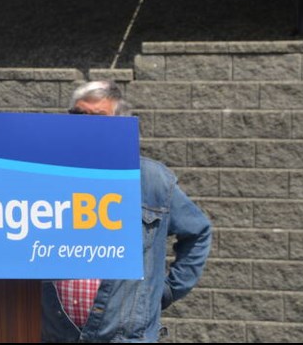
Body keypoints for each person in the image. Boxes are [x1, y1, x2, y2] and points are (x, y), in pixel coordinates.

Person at [41, 80, 212, 343]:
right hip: (55, 335)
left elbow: (198, 231)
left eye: (98, 118)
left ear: (120, 124)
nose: (85, 125)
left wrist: (166, 291)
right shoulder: (43, 176)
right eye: (78, 115)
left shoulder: (152, 179)